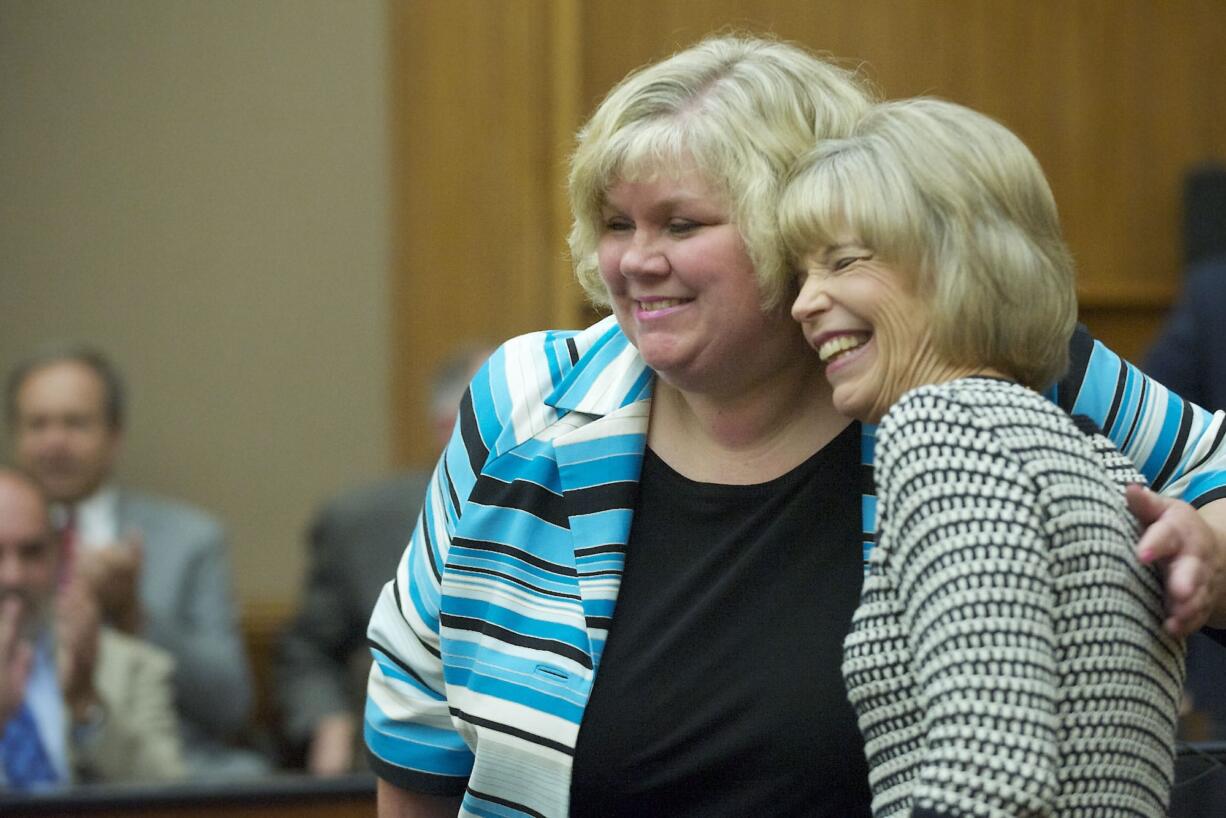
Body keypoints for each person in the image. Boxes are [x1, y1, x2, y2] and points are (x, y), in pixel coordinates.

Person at [364, 35, 1226, 817]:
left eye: (682, 223)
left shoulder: (973, 361)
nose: (636, 262)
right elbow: (416, 728)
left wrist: (1210, 547)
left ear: (801, 227)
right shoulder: (526, 397)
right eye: (618, 224)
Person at [783, 97, 1185, 816]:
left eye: (843, 262)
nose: (805, 302)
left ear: (956, 260)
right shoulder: (1093, 451)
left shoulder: (947, 427)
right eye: (802, 273)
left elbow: (992, 777)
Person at [4, 344, 260, 778]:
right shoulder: (13, 555)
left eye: (75, 423)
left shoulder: (189, 540)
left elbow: (228, 706)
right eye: (38, 424)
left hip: (154, 765)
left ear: (114, 435)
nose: (54, 442)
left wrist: (134, 615)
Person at [275, 343, 489, 776]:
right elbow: (308, 655)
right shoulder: (362, 523)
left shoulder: (592, 516)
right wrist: (328, 722)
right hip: (393, 759)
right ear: (447, 428)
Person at [0, 467, 184, 789]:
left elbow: (174, 797)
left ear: (60, 553)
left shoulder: (127, 664)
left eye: (32, 553)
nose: (13, 576)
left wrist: (87, 705)